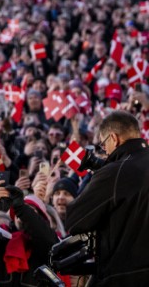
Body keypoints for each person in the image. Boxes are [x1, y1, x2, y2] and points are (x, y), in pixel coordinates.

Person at [65, 111, 149, 286]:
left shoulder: (115, 172)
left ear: (114, 138)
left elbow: (74, 220)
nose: (105, 152)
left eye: (104, 145)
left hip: (124, 277)